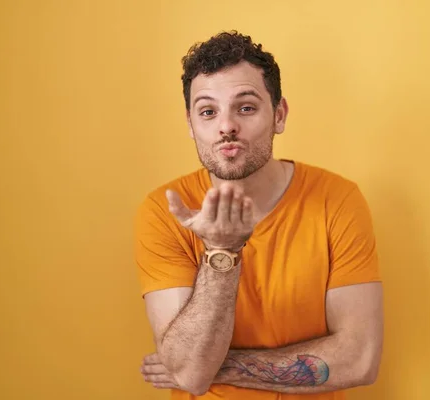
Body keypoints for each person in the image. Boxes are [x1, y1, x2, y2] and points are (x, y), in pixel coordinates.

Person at [135, 30, 383, 400]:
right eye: (208, 111)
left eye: (246, 107)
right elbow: (188, 371)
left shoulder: (337, 199)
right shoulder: (164, 210)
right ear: (190, 125)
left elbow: (360, 359)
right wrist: (222, 251)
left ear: (279, 115)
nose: (226, 126)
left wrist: (219, 367)